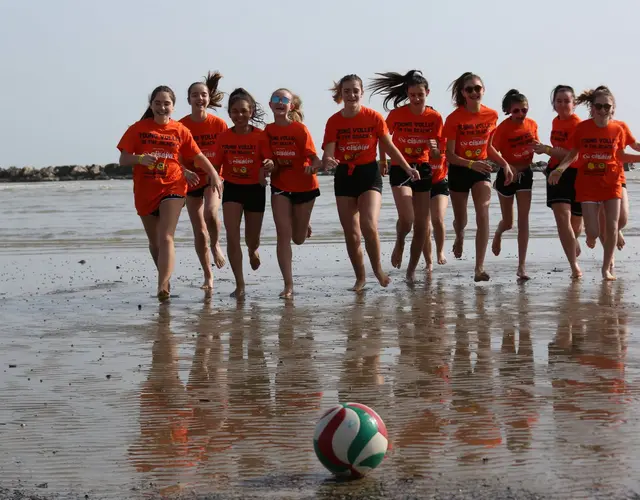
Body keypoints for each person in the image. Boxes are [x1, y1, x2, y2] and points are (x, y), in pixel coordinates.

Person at [117, 85, 222, 301]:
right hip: (145, 190)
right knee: (155, 243)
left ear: (173, 107)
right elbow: (123, 159)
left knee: (166, 236)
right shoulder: (138, 129)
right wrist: (139, 159)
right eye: (158, 103)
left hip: (173, 187)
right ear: (151, 105)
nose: (162, 107)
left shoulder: (180, 130)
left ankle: (162, 286)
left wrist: (212, 171)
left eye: (167, 103)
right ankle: (165, 277)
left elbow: (197, 155)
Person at [321, 74, 420, 291]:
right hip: (345, 176)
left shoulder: (373, 117)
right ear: (341, 94)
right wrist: (328, 161)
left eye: (355, 90)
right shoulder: (334, 121)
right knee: (352, 234)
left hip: (368, 173)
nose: (351, 94)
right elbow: (328, 152)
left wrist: (407, 168)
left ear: (361, 92)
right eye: (347, 91)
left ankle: (378, 270)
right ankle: (360, 278)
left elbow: (390, 147)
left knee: (368, 224)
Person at [552, 86, 640, 280]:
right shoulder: (582, 128)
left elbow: (621, 155)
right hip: (587, 185)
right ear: (591, 107)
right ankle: (590, 237)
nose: (602, 110)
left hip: (612, 183)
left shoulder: (618, 129)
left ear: (613, 109)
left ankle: (606, 268)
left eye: (606, 107)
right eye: (598, 106)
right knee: (593, 230)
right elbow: (573, 153)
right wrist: (559, 169)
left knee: (612, 226)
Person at [368, 69, 444, 281]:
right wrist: (382, 160)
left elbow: (439, 152)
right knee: (408, 218)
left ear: (427, 92)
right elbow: (383, 138)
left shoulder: (435, 117)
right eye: (412, 95)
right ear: (407, 95)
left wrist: (434, 147)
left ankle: (411, 270)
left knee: (422, 225)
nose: (417, 99)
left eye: (420, 94)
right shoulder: (396, 115)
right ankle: (400, 240)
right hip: (400, 167)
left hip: (424, 168)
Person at [442, 72, 511, 282]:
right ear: (463, 93)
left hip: (481, 171)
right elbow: (450, 155)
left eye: (477, 88)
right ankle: (460, 235)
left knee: (483, 213)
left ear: (483, 90)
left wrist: (505, 164)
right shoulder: (454, 118)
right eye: (469, 89)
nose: (474, 92)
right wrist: (471, 163)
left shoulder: (491, 115)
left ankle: (479, 268)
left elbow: (488, 148)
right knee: (461, 219)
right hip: (460, 169)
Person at [211, 88, 274, 298]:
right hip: (233, 188)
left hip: (255, 189)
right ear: (229, 113)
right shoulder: (223, 137)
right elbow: (216, 164)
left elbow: (270, 161)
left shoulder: (260, 136)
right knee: (232, 236)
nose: (239, 115)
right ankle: (240, 284)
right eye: (235, 111)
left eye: (244, 111)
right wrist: (214, 179)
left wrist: (269, 163)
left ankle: (253, 250)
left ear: (251, 111)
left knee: (252, 238)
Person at [265, 88, 321, 299]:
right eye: (276, 99)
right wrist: (268, 165)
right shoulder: (268, 131)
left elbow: (314, 159)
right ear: (270, 104)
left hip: (305, 186)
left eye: (284, 99)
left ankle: (303, 223)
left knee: (298, 239)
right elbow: (267, 157)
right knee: (283, 235)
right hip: (280, 186)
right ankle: (288, 285)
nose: (279, 102)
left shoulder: (300, 130)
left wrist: (313, 167)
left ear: (292, 106)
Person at [179, 71, 229, 290]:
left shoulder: (219, 124)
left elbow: (228, 153)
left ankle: (216, 243)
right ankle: (208, 276)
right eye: (195, 95)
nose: (200, 99)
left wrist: (219, 174)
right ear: (188, 99)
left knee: (211, 212)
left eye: (203, 95)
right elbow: (174, 156)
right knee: (199, 230)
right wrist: (183, 172)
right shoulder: (181, 126)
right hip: (190, 179)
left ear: (209, 98)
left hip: (214, 178)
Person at [533, 85, 583, 279]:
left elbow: (572, 154)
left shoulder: (577, 124)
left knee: (576, 225)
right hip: (555, 173)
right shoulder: (555, 121)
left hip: (576, 173)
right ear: (553, 104)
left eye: (566, 101)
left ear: (574, 103)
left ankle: (573, 242)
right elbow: (558, 150)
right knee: (563, 219)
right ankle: (574, 266)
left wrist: (545, 149)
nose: (562, 105)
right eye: (558, 101)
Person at [489, 89, 539, 281]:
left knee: (523, 221)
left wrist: (540, 147)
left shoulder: (532, 124)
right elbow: (491, 150)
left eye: (524, 110)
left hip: (526, 174)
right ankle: (498, 233)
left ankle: (521, 266)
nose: (520, 114)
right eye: (516, 111)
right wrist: (506, 165)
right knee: (509, 222)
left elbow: (535, 144)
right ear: (509, 111)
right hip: (507, 175)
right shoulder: (502, 129)